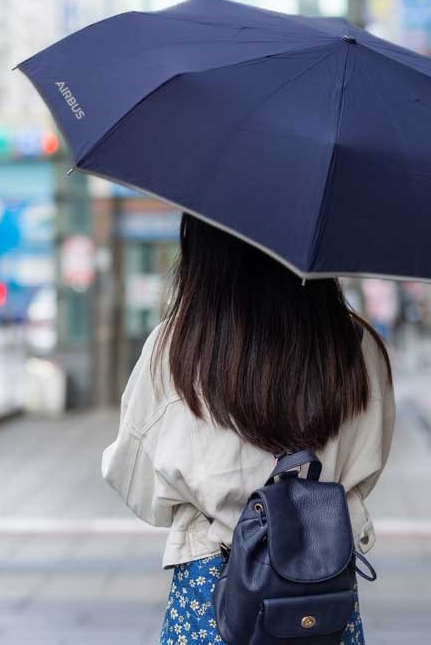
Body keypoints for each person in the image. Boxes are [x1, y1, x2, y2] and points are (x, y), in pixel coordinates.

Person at [102, 214, 395, 645]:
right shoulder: (358, 347)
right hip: (321, 591)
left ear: (204, 246)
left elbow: (137, 484)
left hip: (212, 592)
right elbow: (370, 464)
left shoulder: (176, 348)